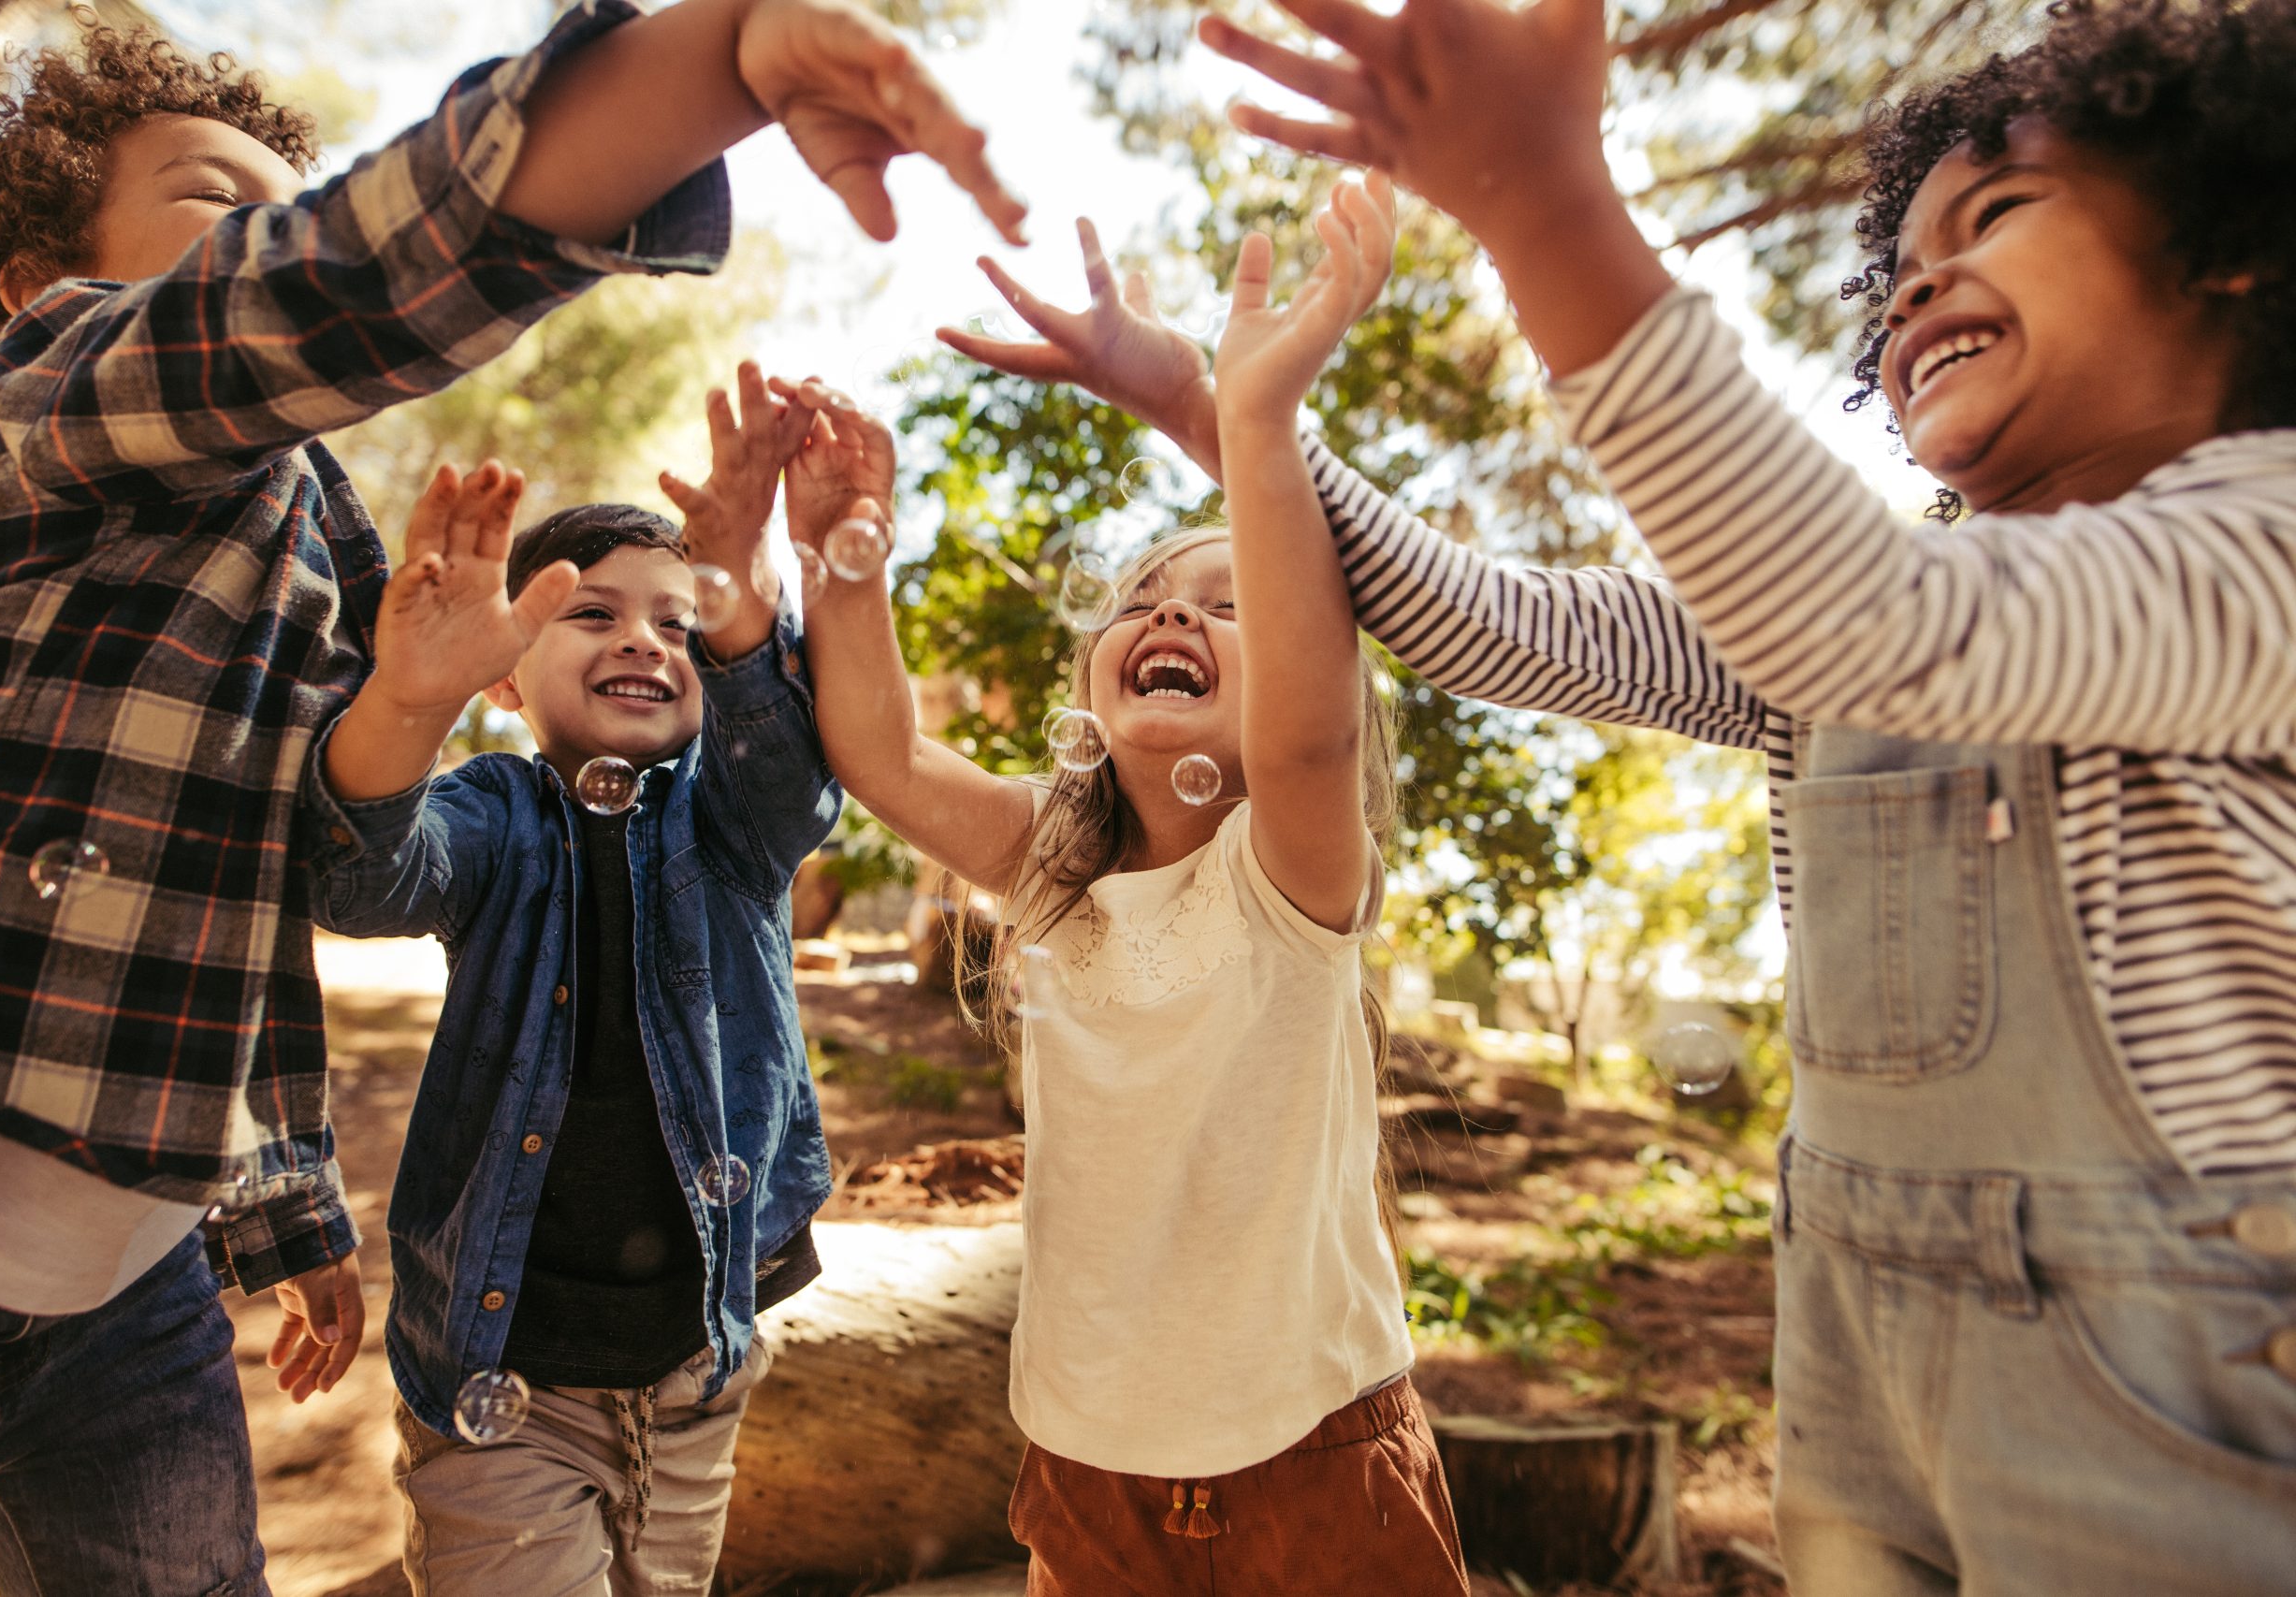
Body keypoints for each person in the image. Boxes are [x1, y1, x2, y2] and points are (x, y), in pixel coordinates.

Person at [958, 0, 2296, 1590]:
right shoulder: (1857, 610)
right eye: (1904, 259)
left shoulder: (2261, 542)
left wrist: (1545, 207)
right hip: (1867, 1352)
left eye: (1997, 212)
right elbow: (1489, 619)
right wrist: (1223, 411)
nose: (1922, 278)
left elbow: (1877, 621)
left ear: (2231, 248)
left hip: (2176, 1370)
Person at [0, 2, 1020, 1589]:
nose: (265, 230)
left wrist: (286, 1214)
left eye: (666, 623)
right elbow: (313, 299)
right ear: (39, 284)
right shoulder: (54, 403)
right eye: (219, 201)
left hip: (128, 1288)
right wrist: (703, 72)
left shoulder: (330, 544)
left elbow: (246, 889)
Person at [786, 176, 1468, 1596]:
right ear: (1097, 679)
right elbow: (885, 754)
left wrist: (1254, 416)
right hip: (1086, 1458)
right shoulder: (1057, 869)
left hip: (1316, 1460)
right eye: (1149, 596)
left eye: (1232, 603)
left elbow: (1308, 716)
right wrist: (842, 558)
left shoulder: (1289, 865)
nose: (1174, 611)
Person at [303, 365, 836, 1595]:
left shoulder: (729, 820)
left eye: (679, 621)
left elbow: (794, 781)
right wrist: (408, 696)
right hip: (505, 1376)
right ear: (504, 674)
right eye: (592, 615)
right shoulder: (495, 810)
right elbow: (364, 880)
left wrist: (747, 587)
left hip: (700, 1361)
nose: (645, 638)